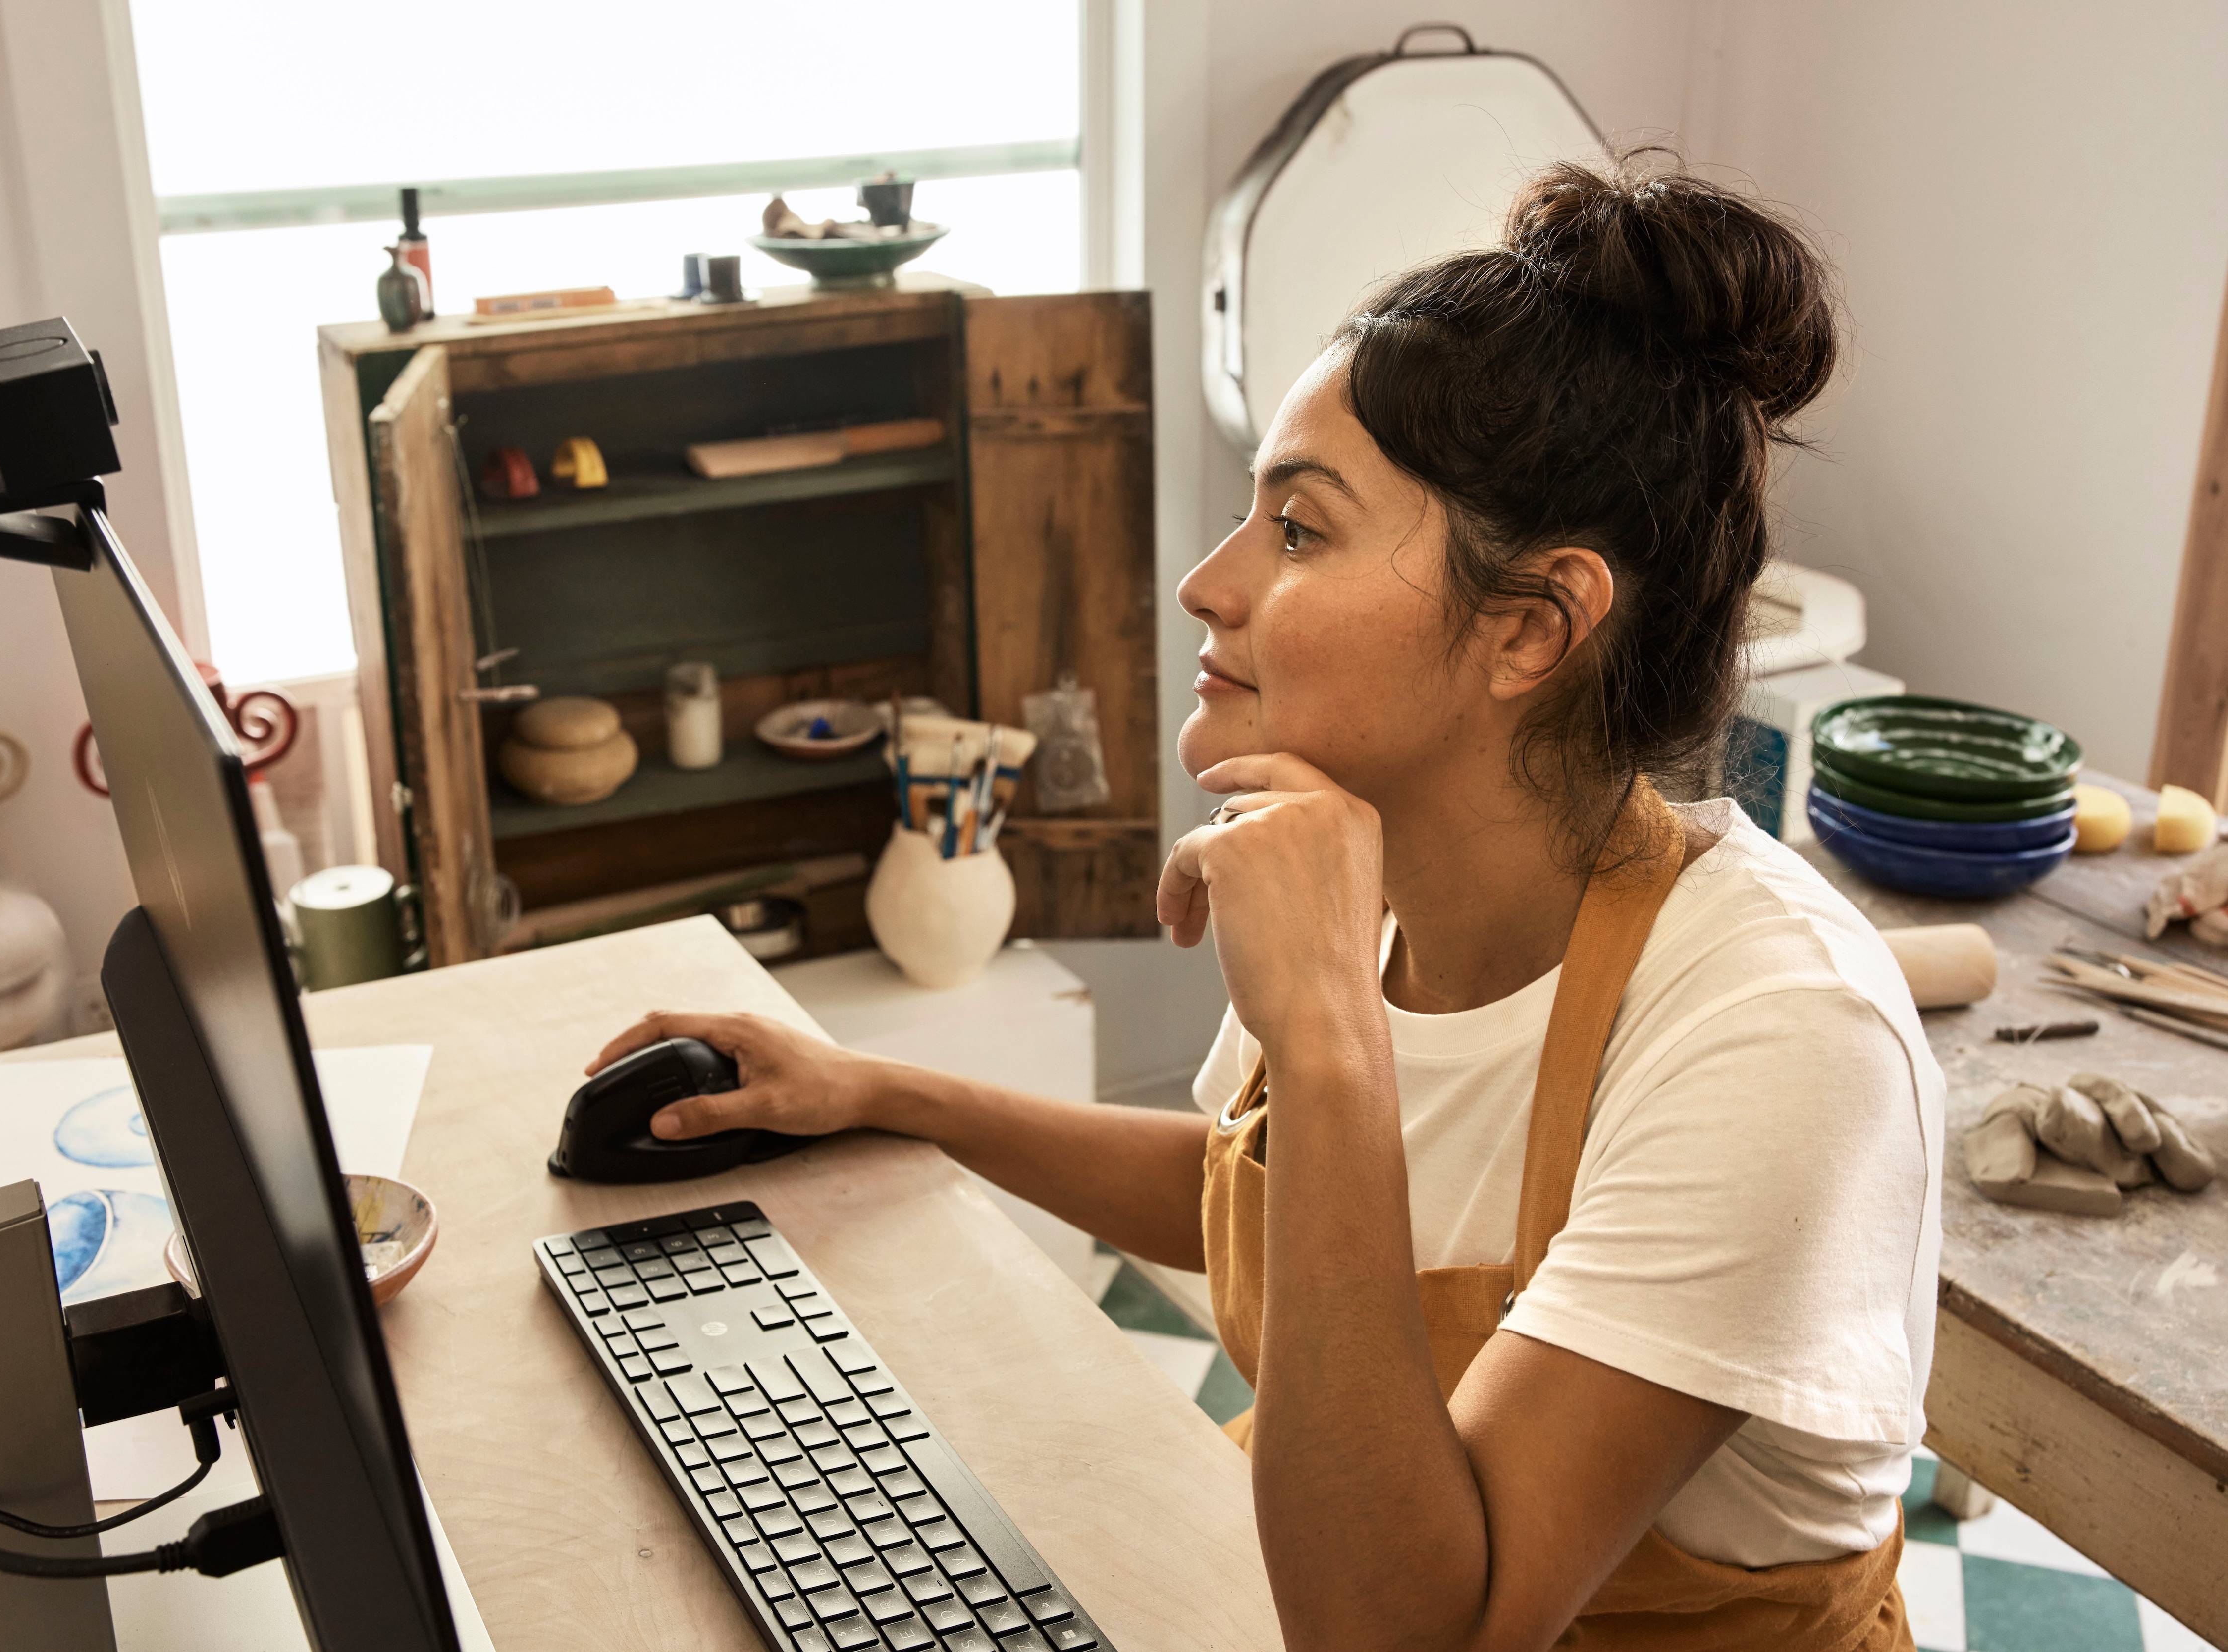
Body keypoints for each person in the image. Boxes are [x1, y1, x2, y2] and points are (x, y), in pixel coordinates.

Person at [590, 155, 1941, 1652]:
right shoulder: (1370, 885)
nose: (1207, 585)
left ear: (1528, 627)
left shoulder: (1777, 1034)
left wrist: (1326, 1042)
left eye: (1298, 530)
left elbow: (1417, 1636)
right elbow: (1240, 1203)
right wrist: (885, 1094)